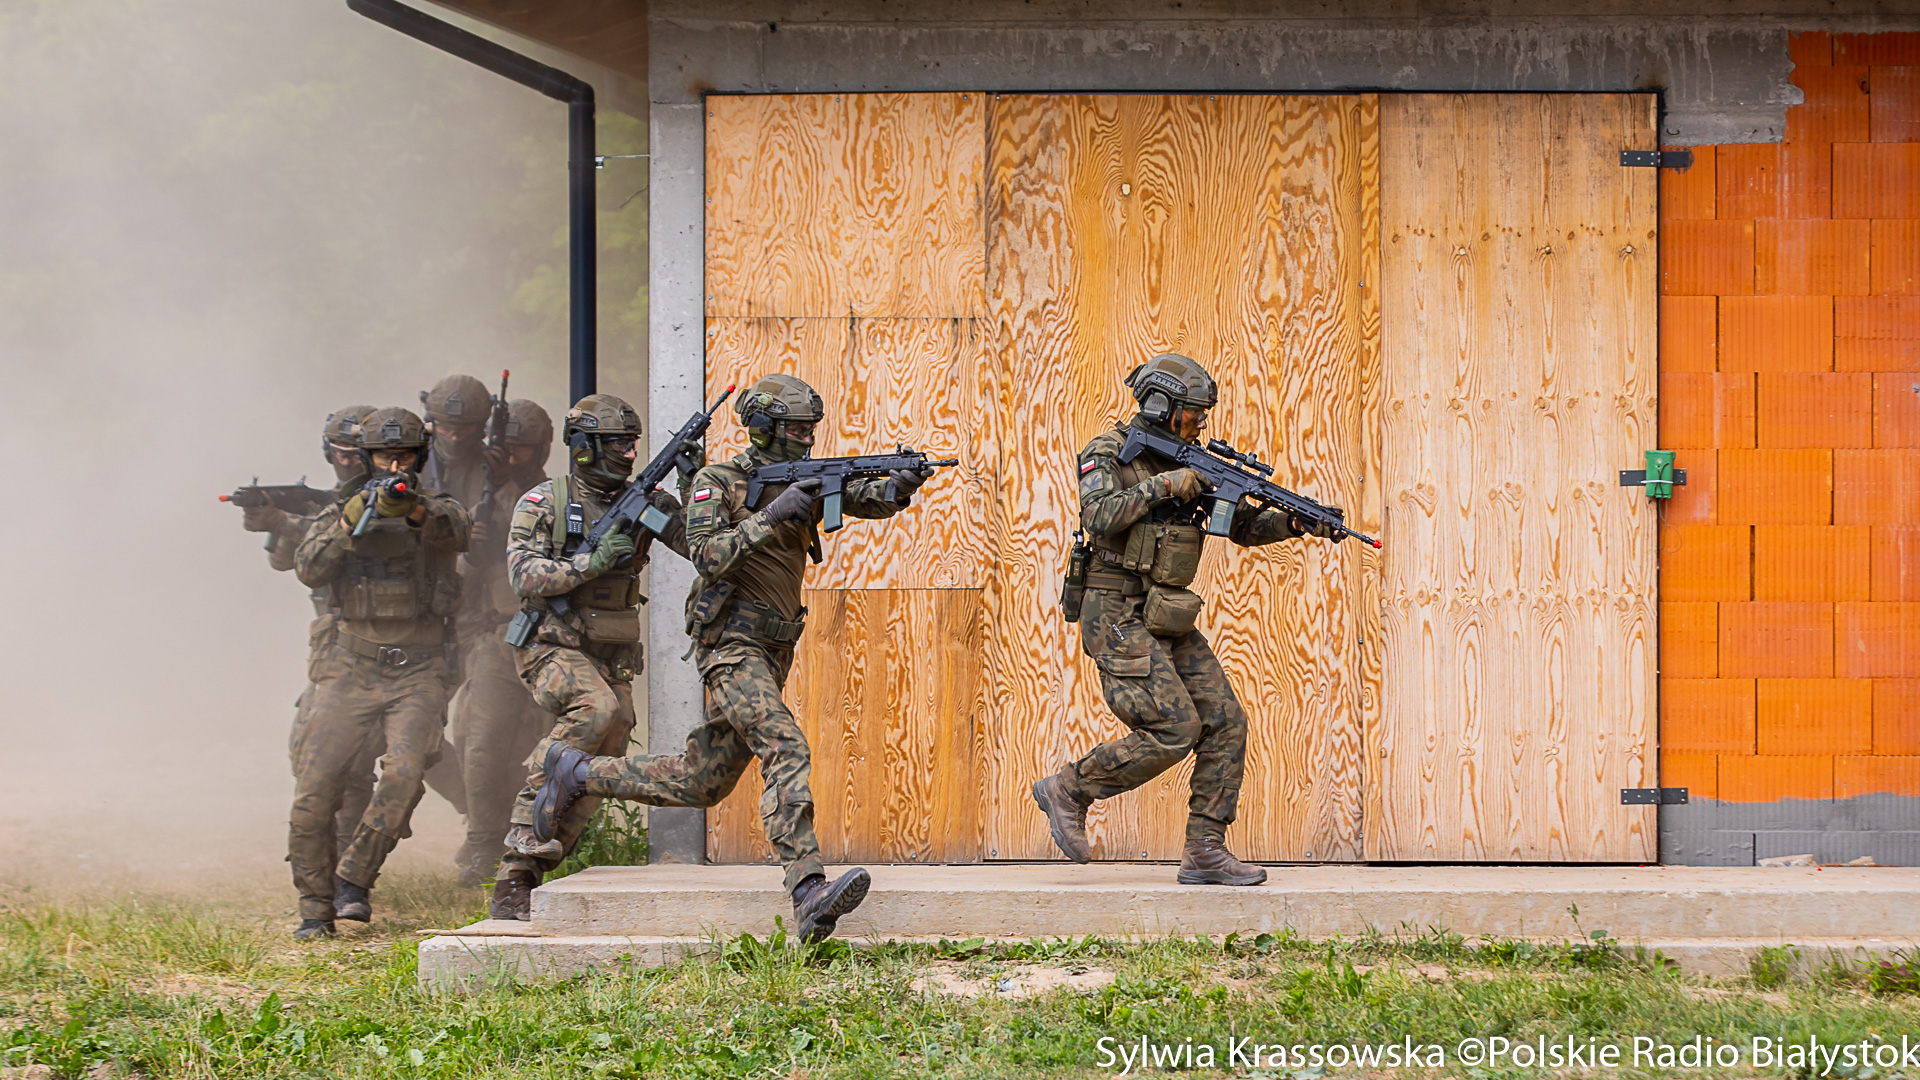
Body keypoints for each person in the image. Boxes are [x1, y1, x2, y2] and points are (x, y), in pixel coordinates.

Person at [522, 374, 938, 943]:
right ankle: (808, 889)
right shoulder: (716, 482)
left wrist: (898, 486)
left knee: (702, 781)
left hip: (774, 645)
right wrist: (773, 514)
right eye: (794, 429)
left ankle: (577, 772)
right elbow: (706, 554)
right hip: (730, 644)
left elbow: (865, 496)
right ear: (763, 428)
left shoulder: (805, 478)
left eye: (810, 429)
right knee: (784, 744)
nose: (804, 439)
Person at [1028, 353, 1332, 886]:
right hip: (1114, 611)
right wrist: (1167, 485)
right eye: (1194, 411)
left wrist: (1292, 523)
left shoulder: (1193, 461)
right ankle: (1070, 788)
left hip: (1164, 610)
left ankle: (1205, 850)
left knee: (1226, 721)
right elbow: (1099, 515)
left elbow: (1241, 526)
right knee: (1175, 727)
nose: (1201, 421)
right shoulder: (1110, 452)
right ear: (1161, 404)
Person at [486, 393, 690, 919]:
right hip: (549, 643)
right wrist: (590, 563)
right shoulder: (543, 502)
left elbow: (701, 546)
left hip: (608, 651)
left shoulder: (645, 502)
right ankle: (517, 861)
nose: (628, 454)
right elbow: (523, 575)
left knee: (613, 732)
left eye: (632, 444)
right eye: (616, 444)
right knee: (595, 709)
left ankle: (538, 868)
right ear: (583, 448)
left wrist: (693, 484)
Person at [288, 407, 471, 938]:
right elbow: (307, 568)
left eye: (405, 455)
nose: (395, 465)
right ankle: (315, 906)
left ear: (420, 457)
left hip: (417, 671)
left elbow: (458, 530)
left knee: (404, 773)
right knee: (315, 788)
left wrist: (412, 509)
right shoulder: (340, 511)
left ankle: (354, 878)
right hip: (349, 667)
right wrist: (351, 521)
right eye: (385, 456)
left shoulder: (440, 509)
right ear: (367, 459)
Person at [242, 405, 383, 860]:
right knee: (309, 747)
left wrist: (285, 522)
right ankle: (324, 848)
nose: (349, 462)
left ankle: (344, 856)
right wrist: (280, 522)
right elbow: (283, 562)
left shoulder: (391, 501)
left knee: (363, 758)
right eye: (341, 453)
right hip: (333, 645)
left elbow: (355, 542)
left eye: (357, 454)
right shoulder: (325, 503)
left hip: (383, 645)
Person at [446, 398, 555, 886]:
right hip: (499, 636)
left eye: (521, 450)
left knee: (538, 752)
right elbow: (459, 579)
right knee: (480, 747)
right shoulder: (484, 500)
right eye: (504, 452)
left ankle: (528, 841)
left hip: (551, 636)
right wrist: (474, 539)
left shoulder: (555, 496)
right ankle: (483, 843)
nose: (512, 459)